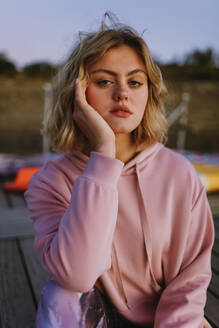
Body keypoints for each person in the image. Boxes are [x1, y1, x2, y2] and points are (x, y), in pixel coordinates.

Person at [25, 12, 214, 328]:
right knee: (59, 295)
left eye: (135, 82)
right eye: (104, 81)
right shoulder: (50, 182)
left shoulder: (179, 173)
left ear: (148, 93)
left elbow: (191, 277)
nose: (123, 92)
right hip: (92, 317)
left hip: (169, 320)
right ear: (76, 93)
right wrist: (103, 154)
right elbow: (77, 275)